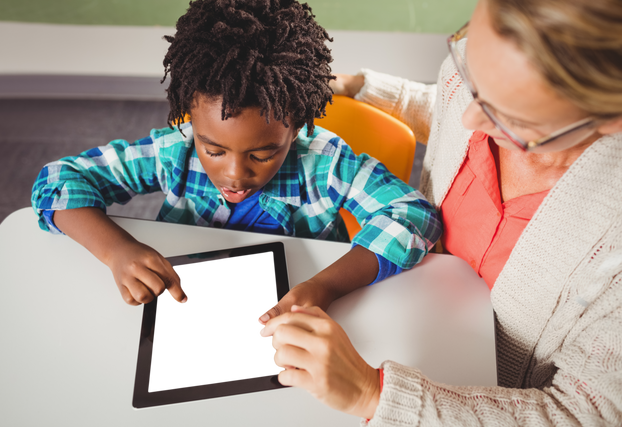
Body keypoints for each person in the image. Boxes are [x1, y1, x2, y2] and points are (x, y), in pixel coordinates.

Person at [257, 0, 622, 425]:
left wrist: (372, 395)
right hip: (406, 315)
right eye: (470, 68)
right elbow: (451, 107)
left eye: (509, 119)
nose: (470, 115)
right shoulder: (470, 93)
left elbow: (585, 413)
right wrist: (360, 86)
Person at [30, 0, 441, 312]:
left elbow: (413, 215)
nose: (234, 174)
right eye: (213, 149)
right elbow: (59, 180)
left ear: (296, 127)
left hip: (301, 310)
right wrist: (116, 250)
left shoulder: (326, 162)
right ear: (190, 117)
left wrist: (324, 287)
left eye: (263, 154)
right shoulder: (174, 151)